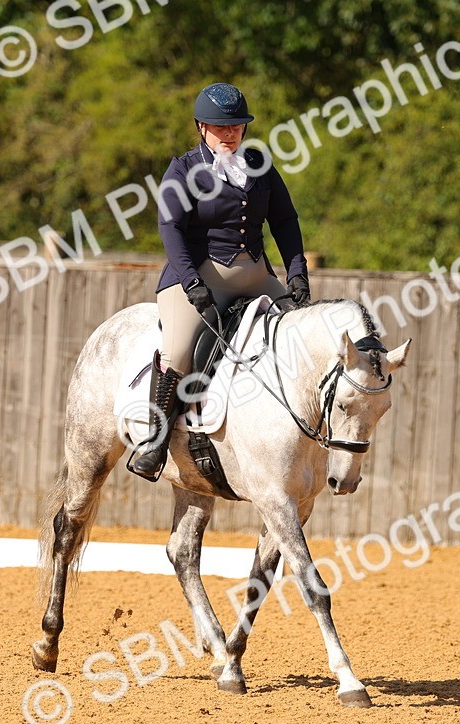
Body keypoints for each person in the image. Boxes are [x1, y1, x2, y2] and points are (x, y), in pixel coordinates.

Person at [128, 82, 312, 481]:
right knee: (178, 352)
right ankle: (155, 444)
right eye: (218, 127)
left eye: (236, 127)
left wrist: (296, 273)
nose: (228, 133)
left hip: (257, 274)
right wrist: (193, 284)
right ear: (200, 126)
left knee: (302, 338)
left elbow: (284, 220)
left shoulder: (259, 163)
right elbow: (171, 228)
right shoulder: (183, 168)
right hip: (199, 273)